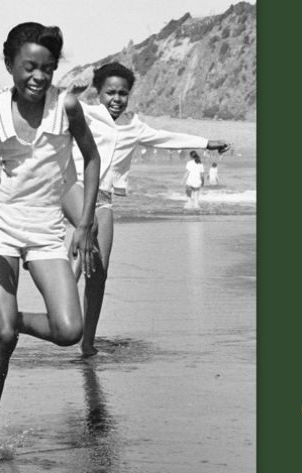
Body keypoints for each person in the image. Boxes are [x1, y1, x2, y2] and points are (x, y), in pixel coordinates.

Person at [0, 22, 101, 453]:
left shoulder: (67, 107)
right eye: (29, 67)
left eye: (47, 69)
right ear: (10, 65)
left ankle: (16, 319)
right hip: (2, 227)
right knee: (1, 336)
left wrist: (86, 222)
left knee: (69, 330)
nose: (38, 77)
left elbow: (92, 160)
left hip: (46, 230)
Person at [62, 62, 231, 356]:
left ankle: (87, 341)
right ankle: (61, 306)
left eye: (123, 94)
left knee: (100, 271)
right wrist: (68, 93)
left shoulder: (134, 126)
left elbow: (169, 139)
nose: (116, 99)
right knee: (88, 232)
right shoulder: (85, 113)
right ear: (98, 92)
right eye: (110, 93)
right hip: (73, 187)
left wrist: (207, 143)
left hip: (104, 197)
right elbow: (50, 113)